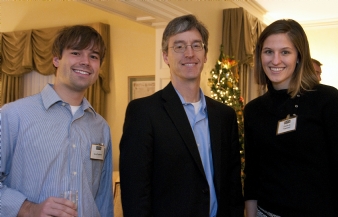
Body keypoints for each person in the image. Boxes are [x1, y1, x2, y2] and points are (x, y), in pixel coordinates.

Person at [119, 14, 244, 217]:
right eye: (179, 46)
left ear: (205, 55)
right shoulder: (143, 112)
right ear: (166, 56)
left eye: (196, 45)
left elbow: (232, 188)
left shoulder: (224, 116)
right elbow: (136, 194)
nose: (189, 53)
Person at [1, 25, 113, 217]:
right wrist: (29, 208)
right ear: (56, 60)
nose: (85, 61)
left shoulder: (100, 127)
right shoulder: (13, 115)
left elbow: (103, 198)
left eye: (93, 56)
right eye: (76, 53)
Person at [244, 19, 338, 217]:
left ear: (298, 57)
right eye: (268, 51)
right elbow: (253, 175)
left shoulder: (327, 100)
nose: (275, 60)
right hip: (266, 213)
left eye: (285, 52)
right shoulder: (254, 110)